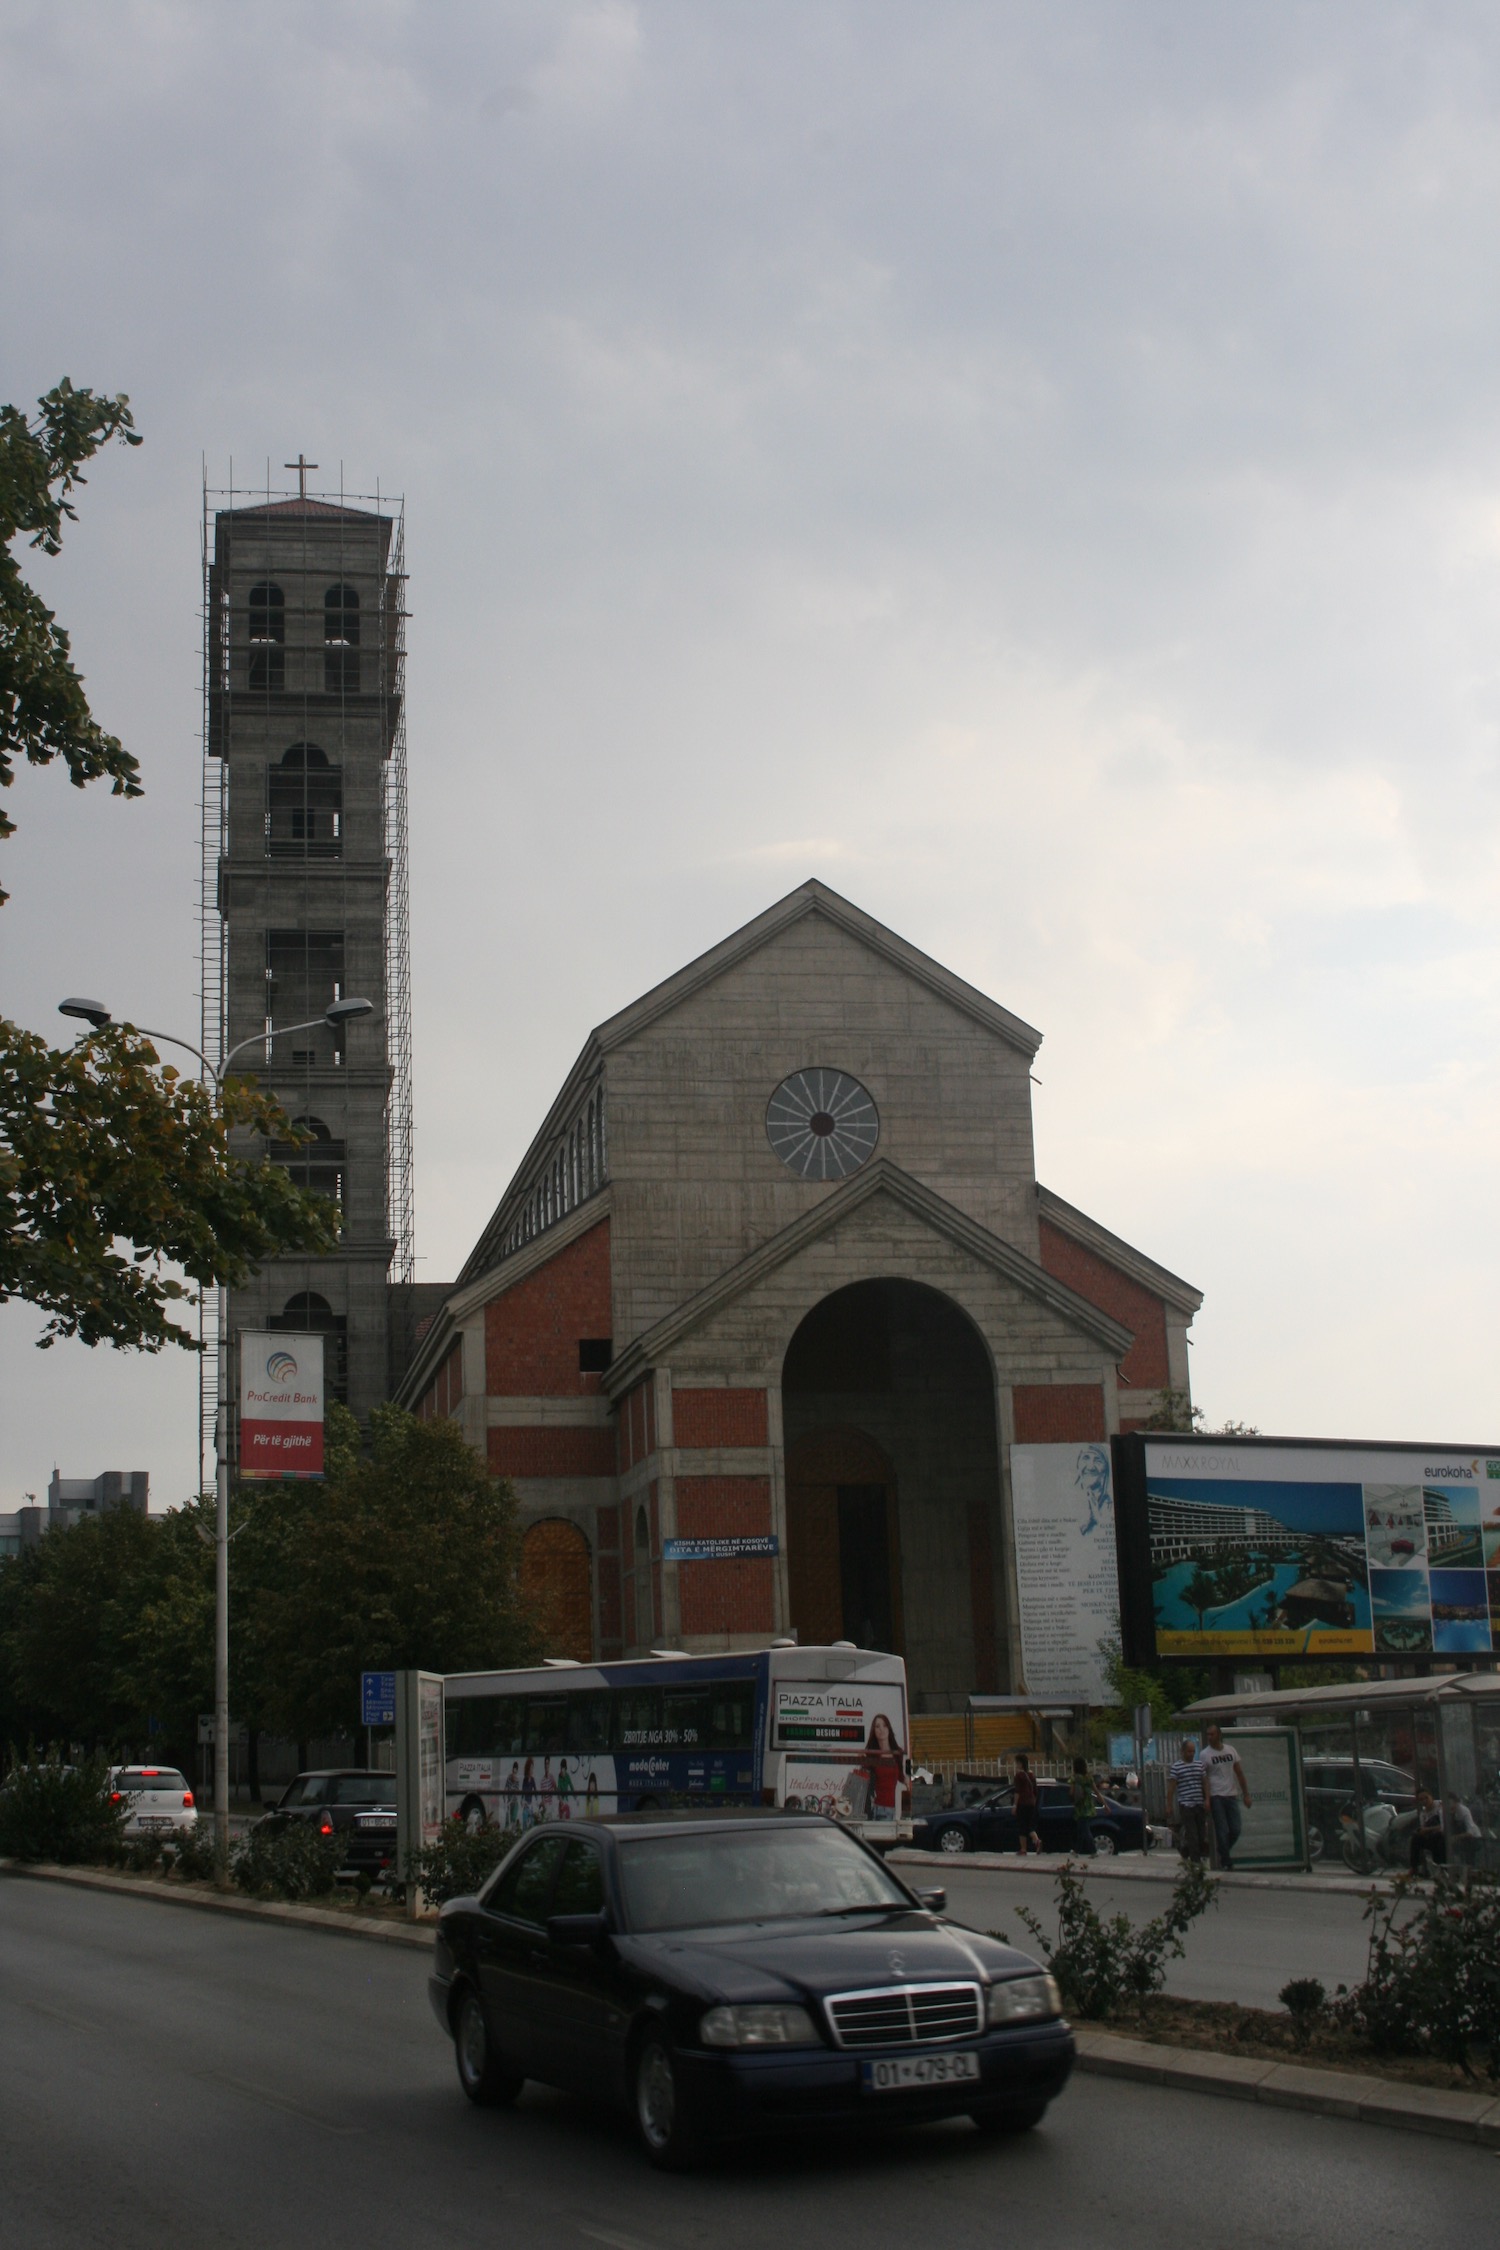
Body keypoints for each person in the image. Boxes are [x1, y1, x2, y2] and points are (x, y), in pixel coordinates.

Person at [1197, 1726, 1252, 1870]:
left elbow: (1239, 1772)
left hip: (1231, 1794)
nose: (1209, 1737)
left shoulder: (1230, 1750)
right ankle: (1227, 1861)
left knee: (1235, 1828)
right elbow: (1205, 1778)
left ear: (1219, 1735)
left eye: (1212, 1734)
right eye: (1207, 1734)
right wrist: (1207, 1798)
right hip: (1216, 1795)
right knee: (1222, 1830)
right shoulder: (1205, 1754)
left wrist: (1246, 1794)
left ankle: (1223, 1850)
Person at [859, 1711, 906, 1823]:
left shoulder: (897, 1753)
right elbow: (865, 1779)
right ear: (873, 1731)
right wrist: (862, 1761)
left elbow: (901, 1776)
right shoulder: (872, 1754)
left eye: (884, 1725)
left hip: (893, 1808)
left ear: (889, 1728)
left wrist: (908, 1782)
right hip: (876, 1807)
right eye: (877, 1726)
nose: (881, 1729)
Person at [1167, 1737, 1208, 1862]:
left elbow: (1205, 1783)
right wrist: (1168, 1805)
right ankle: (1196, 1861)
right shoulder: (1177, 1767)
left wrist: (1207, 1799)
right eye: (1189, 1752)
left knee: (1201, 1833)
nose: (1191, 1754)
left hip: (1199, 1803)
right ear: (1183, 1752)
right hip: (1186, 1804)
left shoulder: (1199, 1765)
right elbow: (1171, 1788)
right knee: (1192, 1834)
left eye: (1193, 1752)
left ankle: (1185, 1850)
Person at [1068, 1757, 1101, 1856]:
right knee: (1082, 1829)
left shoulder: (1075, 1778)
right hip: (1089, 1806)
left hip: (1080, 1807)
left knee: (1085, 1830)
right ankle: (1077, 1851)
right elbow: (1097, 1792)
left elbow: (1071, 1792)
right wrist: (1105, 1805)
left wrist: (1071, 1797)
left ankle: (1093, 1851)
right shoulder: (1089, 1778)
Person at [1011, 1754, 1043, 1855]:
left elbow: (1017, 1792)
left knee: (1022, 1826)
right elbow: (1035, 1791)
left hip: (1022, 1803)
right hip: (1032, 1803)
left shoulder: (1019, 1775)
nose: (1016, 1765)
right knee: (1030, 1826)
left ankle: (1023, 1849)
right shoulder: (1031, 1775)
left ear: (1020, 1763)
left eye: (1017, 1763)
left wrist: (1015, 1805)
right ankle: (1037, 1841)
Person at [1409, 1790, 1445, 1874]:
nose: (1424, 1801)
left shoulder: (1440, 1806)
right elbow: (1423, 1829)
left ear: (1431, 1797)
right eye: (1421, 1799)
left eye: (1426, 1798)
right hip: (1431, 1837)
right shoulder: (1423, 1814)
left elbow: (1443, 1826)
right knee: (1415, 1839)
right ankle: (1414, 1867)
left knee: (1438, 1839)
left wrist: (1428, 1829)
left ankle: (1441, 1868)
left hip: (1442, 1835)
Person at [1445, 1792, 1481, 1868]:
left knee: (1469, 1859)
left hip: (1472, 1839)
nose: (1450, 1807)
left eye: (1452, 1804)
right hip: (1460, 1841)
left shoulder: (1464, 1811)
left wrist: (1456, 1837)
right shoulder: (1447, 1813)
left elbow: (1470, 1832)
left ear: (1456, 1803)